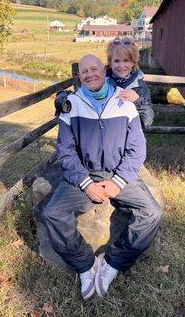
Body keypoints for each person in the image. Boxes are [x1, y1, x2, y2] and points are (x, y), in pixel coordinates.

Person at [43, 54, 162, 299]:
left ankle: (113, 263)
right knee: (53, 213)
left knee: (152, 213)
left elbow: (137, 149)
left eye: (94, 69)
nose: (89, 74)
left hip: (119, 173)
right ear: (79, 76)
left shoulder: (124, 100)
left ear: (103, 70)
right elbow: (65, 151)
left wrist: (118, 182)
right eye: (84, 71)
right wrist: (86, 184)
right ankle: (85, 265)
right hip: (84, 174)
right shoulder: (72, 105)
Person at [106, 37, 154, 129]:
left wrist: (137, 101)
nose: (121, 66)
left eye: (126, 60)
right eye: (116, 61)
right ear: (110, 63)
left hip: (127, 138)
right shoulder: (101, 82)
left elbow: (147, 120)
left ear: (133, 63)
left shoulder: (140, 87)